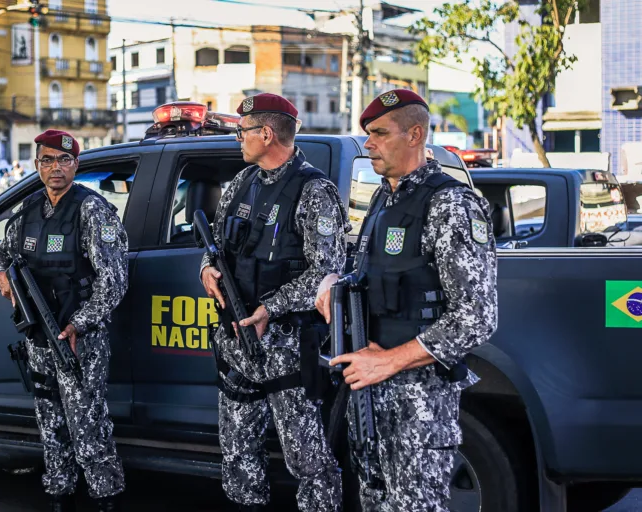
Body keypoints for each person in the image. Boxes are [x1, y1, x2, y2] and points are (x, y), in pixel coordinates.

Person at [315, 89, 498, 511]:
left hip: (419, 408)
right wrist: (332, 282)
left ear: (415, 135)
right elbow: (374, 275)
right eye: (367, 134)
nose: (369, 144)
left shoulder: (450, 204)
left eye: (380, 133)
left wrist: (389, 360)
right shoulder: (383, 198)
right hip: (368, 400)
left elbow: (477, 317)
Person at [200, 93, 348, 511]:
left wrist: (270, 309)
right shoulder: (240, 184)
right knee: (238, 452)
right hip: (236, 339)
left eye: (243, 132)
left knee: (308, 461)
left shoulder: (313, 191)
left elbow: (326, 271)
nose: (238, 141)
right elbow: (215, 248)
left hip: (286, 346)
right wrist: (207, 270)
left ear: (266, 134)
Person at [0, 130, 128, 512]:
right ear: (37, 165)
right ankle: (59, 493)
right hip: (38, 338)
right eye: (47, 160)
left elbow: (114, 282)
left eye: (63, 160)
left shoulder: (93, 211)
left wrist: (80, 324)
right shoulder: (28, 210)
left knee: (88, 425)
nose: (55, 168)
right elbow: (0, 256)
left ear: (76, 166)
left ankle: (105, 497)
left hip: (79, 339)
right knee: (49, 421)